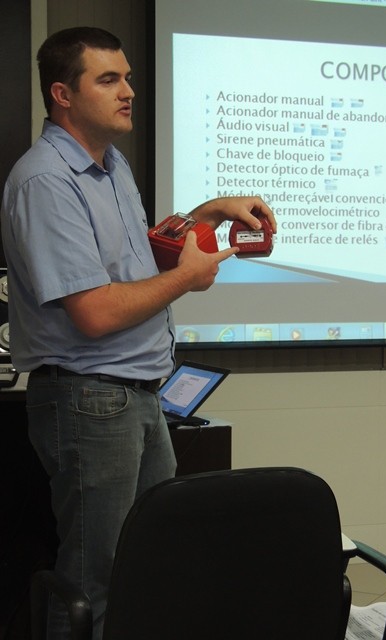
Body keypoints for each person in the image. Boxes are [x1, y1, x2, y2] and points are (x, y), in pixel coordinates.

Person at [0, 26, 276, 640]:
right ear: (62, 94)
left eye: (127, 77)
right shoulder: (47, 181)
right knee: (94, 580)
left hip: (138, 393)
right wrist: (185, 279)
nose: (128, 91)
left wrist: (206, 214)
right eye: (109, 80)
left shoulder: (112, 165)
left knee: (148, 566)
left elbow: (136, 261)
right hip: (90, 398)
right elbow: (96, 312)